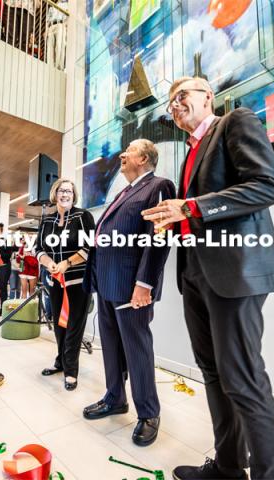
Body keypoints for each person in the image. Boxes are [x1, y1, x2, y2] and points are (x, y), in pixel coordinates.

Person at [142, 76, 274, 480]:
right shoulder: (190, 152)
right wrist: (173, 221)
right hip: (195, 274)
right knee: (213, 374)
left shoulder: (236, 122)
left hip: (234, 272)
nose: (175, 106)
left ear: (208, 96)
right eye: (170, 103)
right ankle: (228, 468)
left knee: (243, 380)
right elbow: (200, 213)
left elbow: (266, 185)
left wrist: (190, 207)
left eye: (182, 96)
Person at [82, 139, 176, 446]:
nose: (122, 155)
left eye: (130, 151)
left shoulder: (159, 186)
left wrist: (144, 283)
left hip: (132, 287)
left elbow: (159, 238)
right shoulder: (123, 191)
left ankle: (148, 413)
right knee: (110, 345)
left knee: (137, 349)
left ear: (145, 158)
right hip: (108, 284)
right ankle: (114, 398)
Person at [36, 178, 95, 391]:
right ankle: (60, 362)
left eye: (69, 191)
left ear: (74, 195)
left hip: (78, 282)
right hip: (54, 281)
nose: (65, 194)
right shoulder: (47, 221)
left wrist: (66, 263)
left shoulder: (83, 216)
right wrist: (50, 263)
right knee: (58, 324)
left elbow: (90, 247)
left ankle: (71, 371)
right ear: (55, 193)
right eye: (62, 190)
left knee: (73, 326)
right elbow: (39, 249)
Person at [0, 222, 17, 315]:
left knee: (3, 288)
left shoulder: (7, 241)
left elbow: (9, 255)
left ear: (1, 231)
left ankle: (3, 309)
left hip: (4, 268)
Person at [45, 0, 68, 70]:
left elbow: (67, 18)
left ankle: (59, 67)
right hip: (51, 26)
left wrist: (65, 26)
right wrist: (46, 30)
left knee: (59, 45)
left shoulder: (67, 4)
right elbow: (47, 20)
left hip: (61, 24)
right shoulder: (52, 6)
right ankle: (50, 66)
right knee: (50, 46)